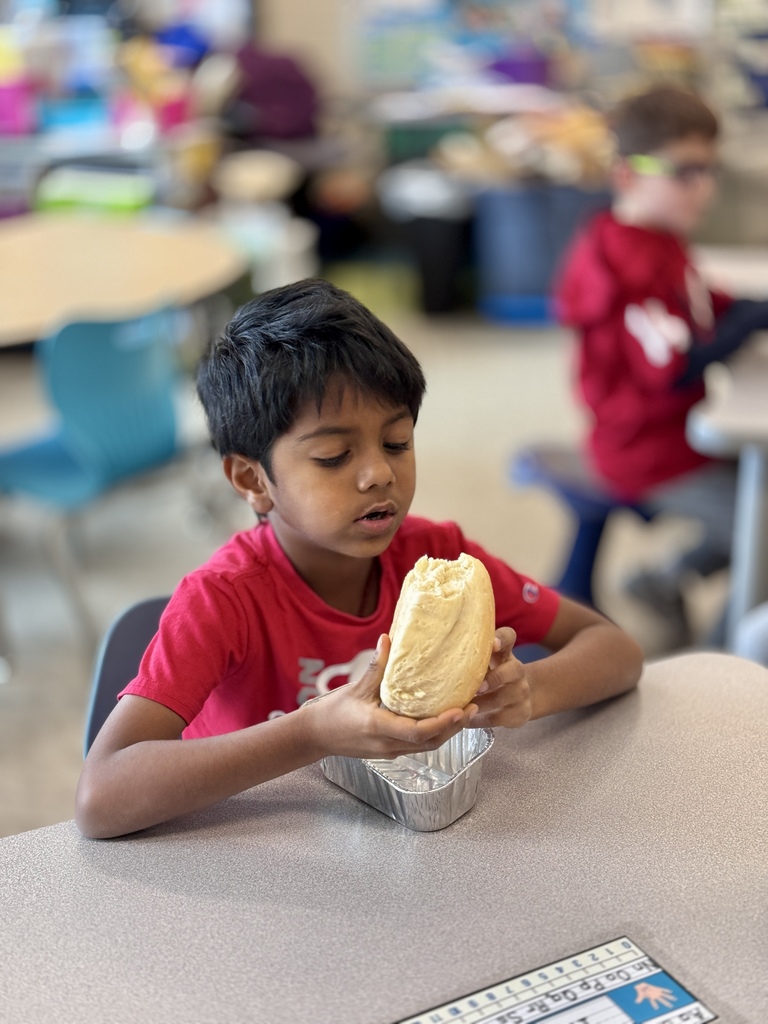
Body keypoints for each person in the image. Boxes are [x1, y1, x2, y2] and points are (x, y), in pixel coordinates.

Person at [75, 280, 643, 839]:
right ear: (253, 480)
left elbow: (615, 650)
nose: (379, 474)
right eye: (334, 456)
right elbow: (102, 796)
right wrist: (311, 734)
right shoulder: (221, 600)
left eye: (397, 442)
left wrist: (528, 693)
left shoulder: (439, 560)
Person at [555, 84, 768, 648]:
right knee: (765, 531)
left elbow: (697, 305)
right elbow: (673, 367)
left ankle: (662, 580)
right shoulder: (628, 262)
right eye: (686, 171)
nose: (706, 187)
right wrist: (746, 324)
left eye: (711, 170)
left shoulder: (656, 238)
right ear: (628, 175)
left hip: (671, 437)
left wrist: (744, 310)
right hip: (644, 451)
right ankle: (724, 664)